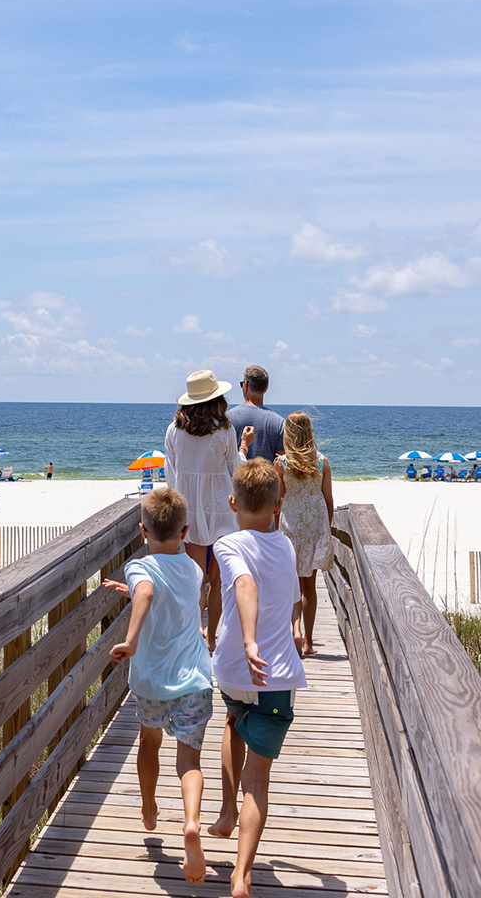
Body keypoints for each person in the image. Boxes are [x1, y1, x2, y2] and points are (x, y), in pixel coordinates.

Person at [101, 488, 214, 885]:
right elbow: (170, 595)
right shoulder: (195, 569)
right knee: (190, 760)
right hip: (195, 680)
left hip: (152, 681)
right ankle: (192, 822)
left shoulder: (139, 566)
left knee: (149, 742)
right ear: (184, 531)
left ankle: (149, 808)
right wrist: (132, 589)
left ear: (142, 530)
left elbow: (149, 590)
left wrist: (131, 641)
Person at [207, 459, 306, 898]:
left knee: (232, 723)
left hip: (233, 669)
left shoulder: (227, 544)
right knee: (259, 783)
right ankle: (242, 874)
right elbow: (287, 593)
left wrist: (246, 642)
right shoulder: (285, 545)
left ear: (233, 503)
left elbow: (243, 585)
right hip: (277, 676)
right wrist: (293, 627)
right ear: (278, 505)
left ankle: (226, 811)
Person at [164, 370, 239, 648]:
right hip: (221, 508)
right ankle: (212, 637)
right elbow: (235, 470)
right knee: (218, 580)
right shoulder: (225, 430)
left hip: (190, 510)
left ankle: (196, 630)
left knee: (197, 577)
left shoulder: (174, 430)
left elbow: (170, 475)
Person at [275, 412, 334, 657]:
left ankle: (295, 629)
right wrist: (326, 528)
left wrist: (274, 529)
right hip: (314, 526)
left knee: (291, 585)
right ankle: (308, 642)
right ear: (310, 432)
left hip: (290, 525)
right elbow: (328, 499)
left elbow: (278, 499)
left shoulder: (282, 463)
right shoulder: (322, 462)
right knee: (310, 586)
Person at [227, 365, 284, 463]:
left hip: (234, 477)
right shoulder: (280, 423)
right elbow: (281, 461)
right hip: (267, 477)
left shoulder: (228, 418)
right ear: (266, 389)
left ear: (245, 385)